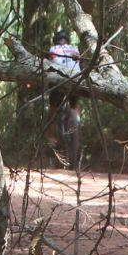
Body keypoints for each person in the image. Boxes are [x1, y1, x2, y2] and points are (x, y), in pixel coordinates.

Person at [45, 28, 82, 159]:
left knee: (53, 110)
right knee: (75, 104)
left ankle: (50, 139)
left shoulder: (53, 50)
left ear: (56, 41)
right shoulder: (75, 49)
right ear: (67, 40)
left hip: (58, 82)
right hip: (75, 80)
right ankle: (77, 121)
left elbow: (48, 66)